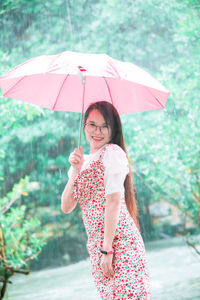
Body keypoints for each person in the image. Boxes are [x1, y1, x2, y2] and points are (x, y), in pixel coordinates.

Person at [61, 101, 152, 299]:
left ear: (113, 129)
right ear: (84, 125)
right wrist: (75, 170)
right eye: (92, 124)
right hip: (97, 246)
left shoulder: (112, 153)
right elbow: (66, 206)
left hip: (119, 243)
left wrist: (107, 249)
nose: (98, 131)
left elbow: (113, 201)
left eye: (105, 126)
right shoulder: (81, 162)